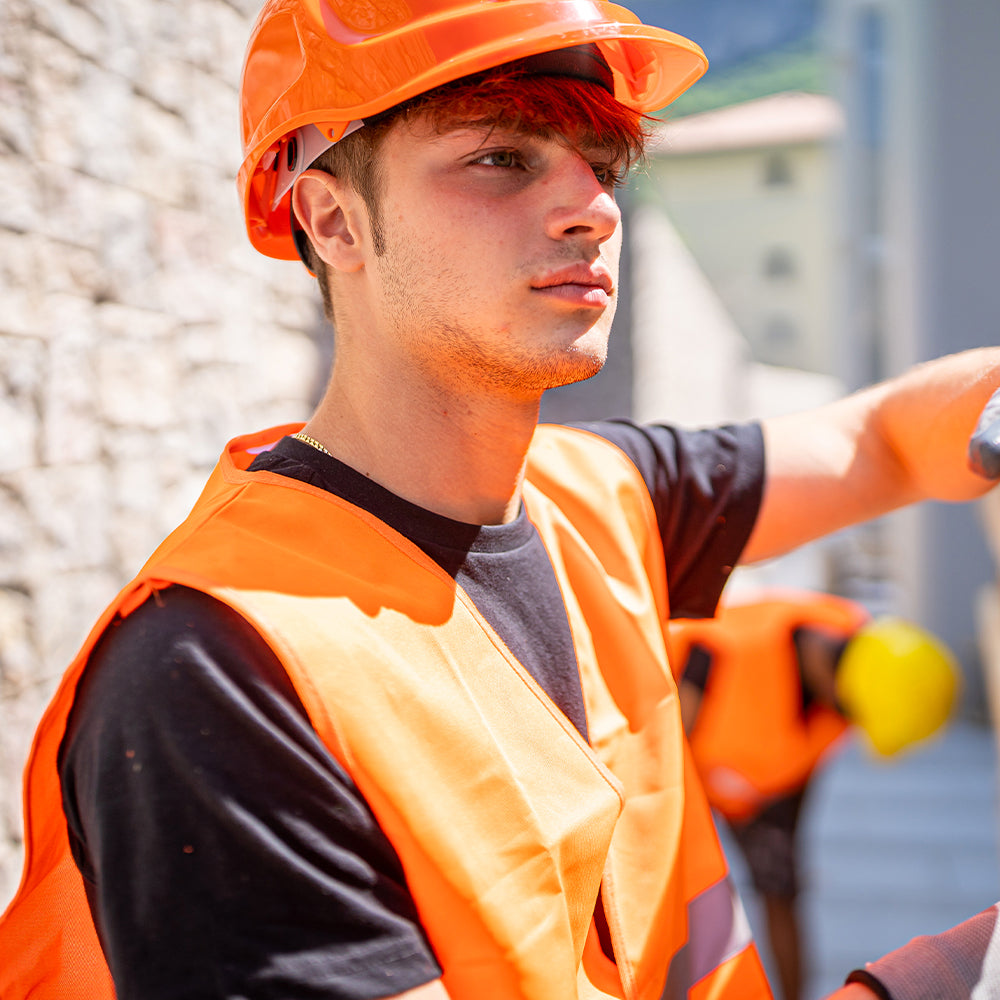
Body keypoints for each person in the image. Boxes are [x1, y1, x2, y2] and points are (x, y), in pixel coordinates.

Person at [1, 1, 1000, 998]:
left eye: (601, 166)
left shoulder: (599, 498)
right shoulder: (218, 673)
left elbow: (876, 442)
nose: (594, 209)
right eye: (501, 158)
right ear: (334, 219)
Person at [669, 590, 961, 1000]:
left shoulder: (857, 660)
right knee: (677, 904)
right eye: (851, 714)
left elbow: (804, 760)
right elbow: (663, 762)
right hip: (680, 769)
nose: (848, 725)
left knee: (781, 889)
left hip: (761, 784)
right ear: (837, 687)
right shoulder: (718, 657)